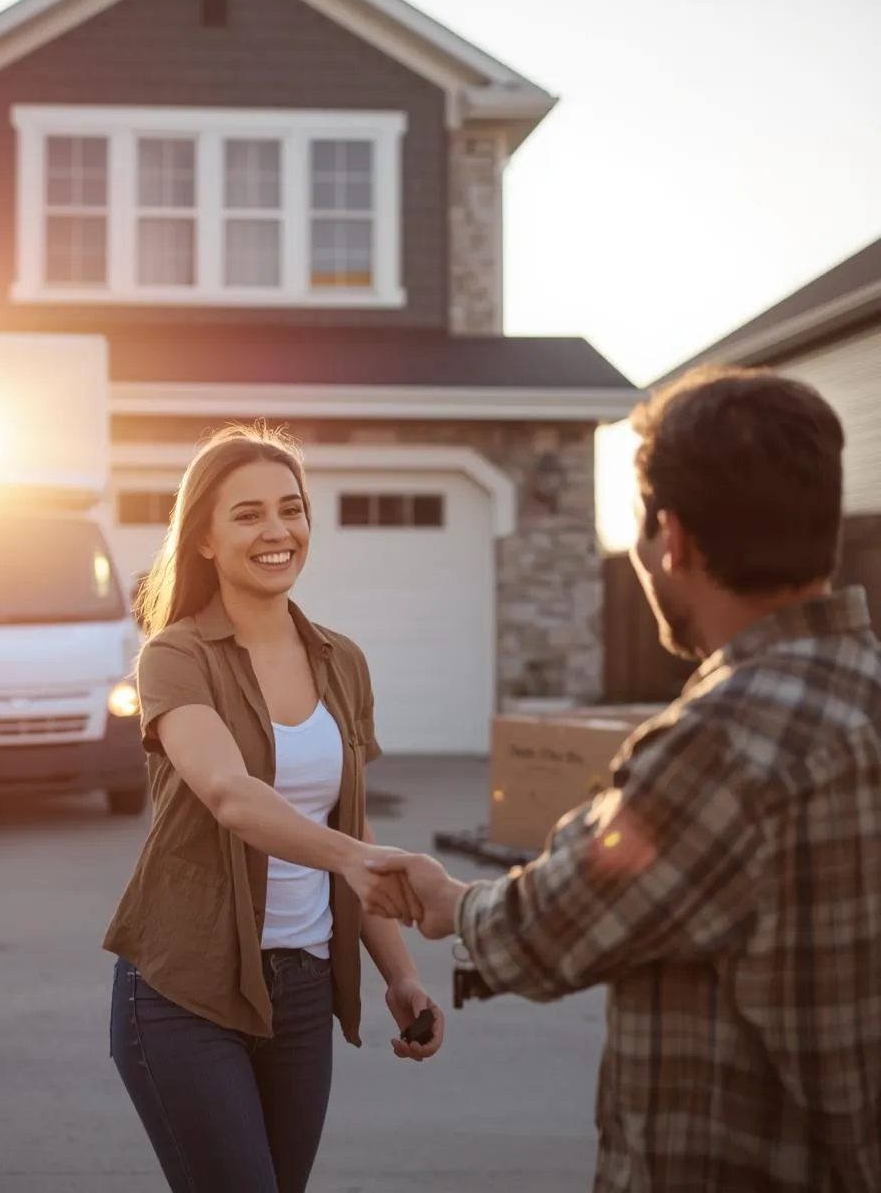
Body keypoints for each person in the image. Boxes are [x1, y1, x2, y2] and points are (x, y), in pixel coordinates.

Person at [367, 366, 881, 1192]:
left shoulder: (722, 742)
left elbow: (550, 928)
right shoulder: (863, 689)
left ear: (671, 538)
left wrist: (448, 903)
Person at [103, 423, 445, 1193]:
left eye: (291, 510)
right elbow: (228, 794)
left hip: (302, 986)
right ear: (204, 540)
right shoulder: (176, 657)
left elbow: (349, 824)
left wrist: (398, 975)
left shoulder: (341, 660)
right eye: (248, 514)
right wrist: (357, 862)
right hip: (184, 987)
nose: (277, 531)